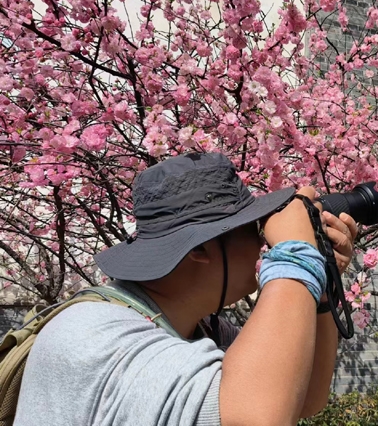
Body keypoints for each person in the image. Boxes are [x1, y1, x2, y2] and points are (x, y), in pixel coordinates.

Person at [13, 152, 358, 426]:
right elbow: (254, 418)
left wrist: (322, 286)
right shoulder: (94, 333)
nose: (262, 242)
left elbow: (304, 398)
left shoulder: (200, 328)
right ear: (199, 249)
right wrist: (295, 255)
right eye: (249, 228)